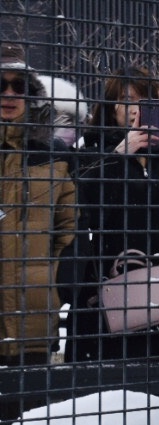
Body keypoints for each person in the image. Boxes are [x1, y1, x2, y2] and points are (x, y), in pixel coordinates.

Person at [68, 65, 159, 362]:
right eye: (125, 99)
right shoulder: (92, 150)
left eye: (143, 100)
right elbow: (80, 199)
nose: (134, 109)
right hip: (103, 288)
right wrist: (119, 154)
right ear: (110, 106)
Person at [0, 44, 78, 371]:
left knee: (28, 416)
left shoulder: (52, 153)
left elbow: (67, 229)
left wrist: (46, 275)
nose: (9, 93)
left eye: (19, 85)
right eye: (1, 84)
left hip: (31, 311)